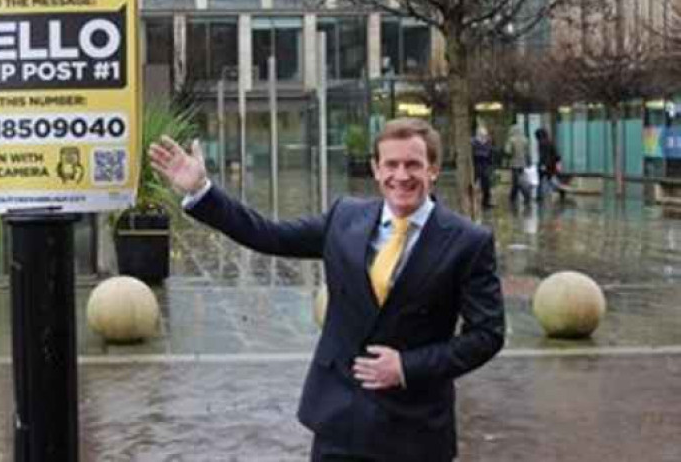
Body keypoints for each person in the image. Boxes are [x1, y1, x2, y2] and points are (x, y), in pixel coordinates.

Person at [150, 118, 505, 461]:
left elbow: (487, 335)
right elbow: (268, 234)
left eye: (413, 164)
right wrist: (202, 191)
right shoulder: (345, 217)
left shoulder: (467, 242)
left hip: (415, 429)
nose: (401, 175)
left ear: (433, 169)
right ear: (376, 169)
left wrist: (407, 367)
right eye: (391, 164)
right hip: (340, 419)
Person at [504, 124, 531, 207]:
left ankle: (518, 197)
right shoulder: (525, 140)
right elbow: (528, 153)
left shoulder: (511, 140)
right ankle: (523, 196)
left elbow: (507, 151)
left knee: (516, 181)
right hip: (523, 163)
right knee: (522, 180)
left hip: (514, 164)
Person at [534, 128, 562, 203]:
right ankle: (559, 189)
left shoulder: (541, 143)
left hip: (545, 165)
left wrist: (543, 165)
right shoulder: (549, 141)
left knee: (541, 180)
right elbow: (556, 154)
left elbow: (543, 155)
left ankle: (539, 196)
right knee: (550, 179)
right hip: (551, 164)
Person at [471, 127, 494, 209]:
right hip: (476, 166)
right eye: (482, 135)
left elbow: (490, 153)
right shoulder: (473, 142)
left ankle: (485, 202)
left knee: (486, 185)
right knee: (473, 184)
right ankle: (472, 202)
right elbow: (473, 154)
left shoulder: (488, 142)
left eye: (485, 135)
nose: (484, 137)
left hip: (485, 166)